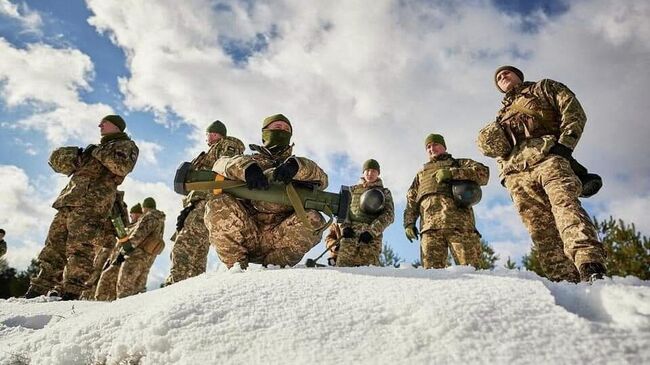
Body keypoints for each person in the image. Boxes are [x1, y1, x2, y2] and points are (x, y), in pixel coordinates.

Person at [477, 65, 606, 282]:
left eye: (506, 72)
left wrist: (565, 146)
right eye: (498, 77)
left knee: (566, 207)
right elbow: (500, 150)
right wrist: (504, 174)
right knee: (539, 229)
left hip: (548, 159)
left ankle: (590, 267)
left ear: (519, 75)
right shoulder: (501, 115)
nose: (502, 76)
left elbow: (573, 111)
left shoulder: (543, 87)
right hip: (516, 174)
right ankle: (564, 281)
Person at [25, 115, 139, 300]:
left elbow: (121, 167)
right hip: (69, 201)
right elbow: (67, 167)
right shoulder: (95, 149)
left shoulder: (126, 146)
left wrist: (96, 152)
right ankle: (39, 288)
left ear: (116, 126)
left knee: (80, 248)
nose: (100, 125)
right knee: (54, 245)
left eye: (105, 123)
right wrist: (71, 157)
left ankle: (71, 292)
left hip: (92, 205)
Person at [205, 113, 328, 269]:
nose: (282, 131)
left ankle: (275, 270)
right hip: (247, 231)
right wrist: (246, 168)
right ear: (265, 133)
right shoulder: (248, 159)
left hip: (281, 237)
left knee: (314, 219)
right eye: (277, 127)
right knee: (217, 204)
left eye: (286, 129)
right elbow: (220, 164)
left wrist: (296, 166)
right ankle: (236, 268)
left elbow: (322, 179)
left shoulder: (295, 165)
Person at [165, 120, 245, 285]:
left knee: (184, 246)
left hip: (208, 202)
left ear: (214, 134)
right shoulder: (212, 151)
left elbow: (228, 169)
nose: (206, 137)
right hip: (200, 202)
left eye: (208, 134)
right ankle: (191, 285)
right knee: (197, 249)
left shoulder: (226, 145)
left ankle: (176, 285)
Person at [404, 134, 489, 269]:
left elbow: (484, 173)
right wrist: (409, 223)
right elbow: (411, 200)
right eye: (428, 146)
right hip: (429, 229)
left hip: (459, 226)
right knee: (432, 276)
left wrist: (453, 173)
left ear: (444, 146)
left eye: (435, 144)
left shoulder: (458, 163)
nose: (432, 148)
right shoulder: (421, 174)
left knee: (471, 269)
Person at [324, 159, 394, 267]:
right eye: (367, 170)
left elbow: (389, 215)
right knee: (343, 272)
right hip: (349, 237)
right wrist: (345, 227)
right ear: (363, 172)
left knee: (370, 274)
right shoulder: (352, 190)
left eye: (374, 171)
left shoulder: (385, 193)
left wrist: (371, 232)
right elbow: (342, 211)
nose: (370, 174)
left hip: (370, 240)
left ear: (378, 173)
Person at [93, 202, 142, 301]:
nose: (131, 216)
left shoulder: (137, 227)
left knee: (105, 279)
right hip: (116, 258)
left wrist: (123, 255)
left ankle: (101, 303)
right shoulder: (129, 227)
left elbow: (130, 243)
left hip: (124, 259)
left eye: (133, 214)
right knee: (106, 280)